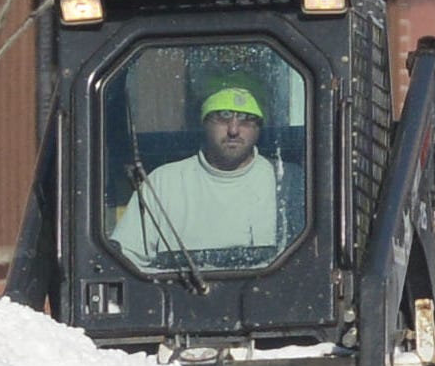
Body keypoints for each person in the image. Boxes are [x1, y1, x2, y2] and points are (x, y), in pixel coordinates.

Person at [115, 85, 303, 269]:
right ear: (204, 124)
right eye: (223, 118)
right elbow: (126, 257)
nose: (234, 130)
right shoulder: (163, 182)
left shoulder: (289, 182)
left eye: (246, 120)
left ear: (259, 128)